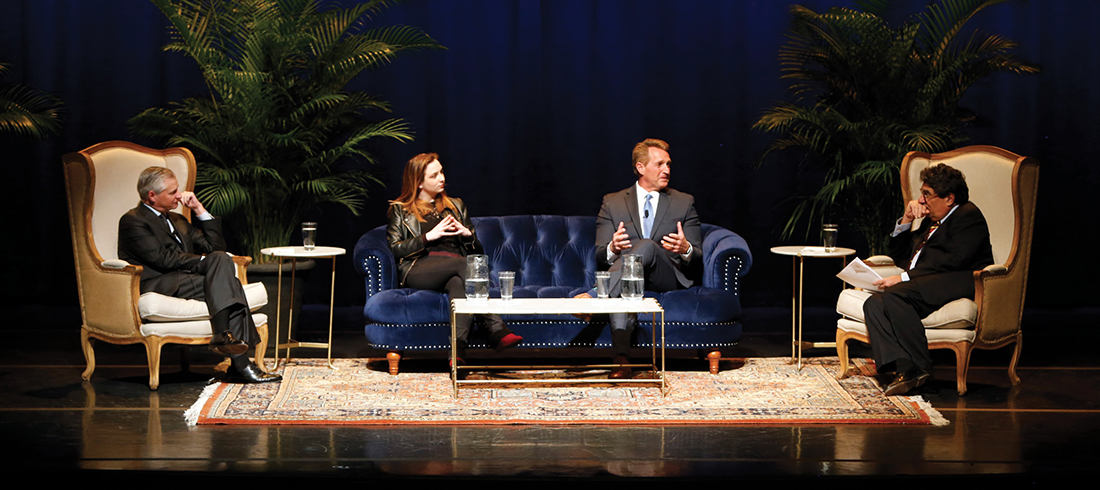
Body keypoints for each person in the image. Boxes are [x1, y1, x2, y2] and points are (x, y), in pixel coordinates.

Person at [118, 167, 281, 384]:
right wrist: (205, 263)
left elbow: (216, 247)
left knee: (223, 265)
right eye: (172, 192)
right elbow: (163, 259)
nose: (179, 195)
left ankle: (224, 338)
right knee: (229, 281)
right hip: (161, 283)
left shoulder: (177, 220)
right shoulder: (133, 221)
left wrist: (199, 209)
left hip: (188, 279)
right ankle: (240, 364)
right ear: (152, 196)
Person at [864, 163, 994, 396]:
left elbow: (953, 261)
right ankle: (906, 368)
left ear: (949, 198)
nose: (921, 200)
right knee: (873, 303)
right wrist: (905, 219)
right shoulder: (933, 220)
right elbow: (900, 254)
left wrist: (904, 277)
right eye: (922, 193)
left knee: (895, 294)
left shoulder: (968, 215)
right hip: (930, 281)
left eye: (927, 194)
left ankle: (922, 367)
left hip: (958, 280)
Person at [386, 153, 522, 364]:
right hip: (419, 268)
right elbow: (395, 249)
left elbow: (477, 254)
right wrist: (427, 237)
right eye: (435, 175)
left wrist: (468, 236)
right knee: (464, 264)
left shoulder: (456, 206)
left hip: (456, 268)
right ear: (419, 182)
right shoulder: (400, 210)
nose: (442, 178)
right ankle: (495, 328)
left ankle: (456, 353)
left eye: (441, 172)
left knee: (460, 281)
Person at [589, 138, 702, 378]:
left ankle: (593, 297)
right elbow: (600, 254)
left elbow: (697, 254)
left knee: (647, 246)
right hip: (627, 277)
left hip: (666, 275)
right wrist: (613, 247)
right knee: (627, 277)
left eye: (669, 164)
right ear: (641, 168)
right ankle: (621, 360)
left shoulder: (683, 201)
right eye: (660, 164)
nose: (667, 170)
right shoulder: (613, 202)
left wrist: (685, 248)